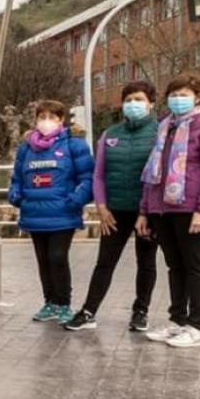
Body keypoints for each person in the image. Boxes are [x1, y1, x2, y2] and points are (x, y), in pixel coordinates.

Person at [138, 76, 200, 349]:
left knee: (194, 267)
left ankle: (196, 325)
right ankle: (177, 320)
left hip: (190, 208)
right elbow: (151, 172)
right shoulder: (164, 128)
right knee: (174, 266)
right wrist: (144, 210)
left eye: (184, 94)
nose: (178, 98)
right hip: (161, 209)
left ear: (198, 97)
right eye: (174, 94)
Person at [64, 81, 160, 332]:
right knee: (105, 262)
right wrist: (102, 207)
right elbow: (98, 174)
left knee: (146, 262)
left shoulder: (161, 133)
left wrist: (145, 212)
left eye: (139, 99)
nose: (133, 104)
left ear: (151, 103)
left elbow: (157, 175)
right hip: (114, 211)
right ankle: (88, 311)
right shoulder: (110, 134)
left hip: (146, 213)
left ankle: (141, 311)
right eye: (128, 100)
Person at [8, 99, 94, 325]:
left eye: (52, 117)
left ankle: (64, 303)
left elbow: (87, 179)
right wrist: (16, 196)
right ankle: (50, 302)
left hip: (63, 214)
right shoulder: (26, 148)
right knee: (43, 260)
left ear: (61, 120)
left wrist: (75, 200)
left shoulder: (74, 146)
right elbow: (17, 178)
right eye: (42, 117)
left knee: (57, 257)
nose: (46, 122)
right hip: (34, 213)